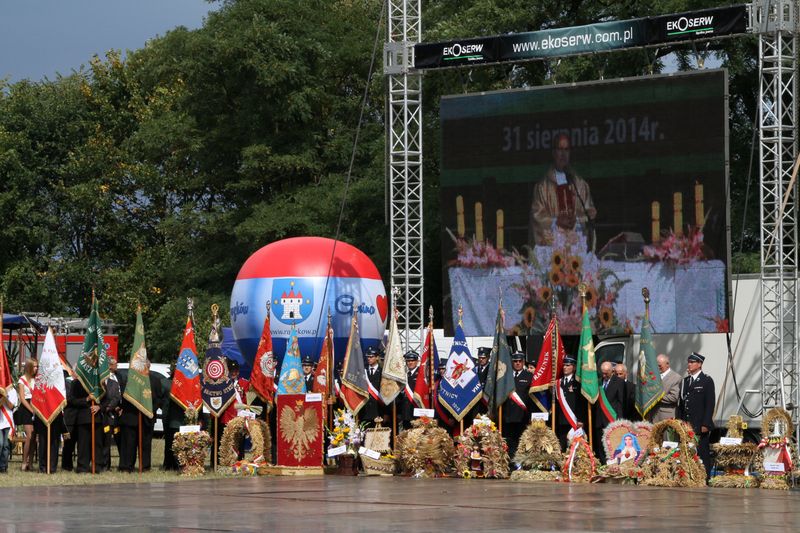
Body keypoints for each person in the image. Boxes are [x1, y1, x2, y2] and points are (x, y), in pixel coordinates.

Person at [528, 133, 596, 248]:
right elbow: (536, 217)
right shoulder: (542, 187)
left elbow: (589, 214)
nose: (563, 154)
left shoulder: (580, 185)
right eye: (560, 149)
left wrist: (577, 221)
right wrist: (556, 221)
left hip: (576, 250)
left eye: (566, 149)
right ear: (553, 153)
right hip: (553, 251)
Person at [677, 351, 715, 480]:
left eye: (692, 362)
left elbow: (710, 404)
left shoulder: (706, 380)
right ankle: (689, 476)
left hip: (699, 423)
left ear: (699, 364)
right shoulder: (685, 381)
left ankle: (705, 477)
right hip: (686, 423)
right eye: (688, 362)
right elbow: (681, 404)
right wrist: (679, 422)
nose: (689, 364)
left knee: (702, 451)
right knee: (687, 451)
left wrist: (706, 423)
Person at [67, 377, 107, 473]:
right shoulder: (76, 383)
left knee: (97, 444)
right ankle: (82, 467)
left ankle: (97, 466)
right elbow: (72, 400)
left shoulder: (99, 381)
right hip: (82, 417)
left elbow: (106, 400)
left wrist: (99, 407)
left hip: (96, 417)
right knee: (83, 444)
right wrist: (86, 399)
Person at [502, 352, 534, 462]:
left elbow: (531, 399)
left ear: (523, 362)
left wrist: (531, 415)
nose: (517, 363)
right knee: (509, 441)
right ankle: (510, 463)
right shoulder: (506, 376)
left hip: (522, 415)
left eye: (520, 361)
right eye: (515, 361)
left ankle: (520, 463)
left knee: (521, 440)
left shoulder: (529, 376)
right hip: (508, 414)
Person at [555, 356, 587, 451]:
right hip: (561, 419)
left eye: (568, 365)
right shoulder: (558, 382)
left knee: (574, 445)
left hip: (574, 419)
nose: (565, 367)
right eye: (564, 365)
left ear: (573, 367)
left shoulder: (578, 382)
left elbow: (582, 403)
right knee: (562, 444)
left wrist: (581, 419)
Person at [593, 361, 624, 461]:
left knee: (612, 446)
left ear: (612, 371)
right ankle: (603, 465)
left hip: (612, 419)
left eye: (606, 373)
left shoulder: (619, 382)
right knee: (601, 446)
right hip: (599, 419)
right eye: (602, 372)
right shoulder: (598, 382)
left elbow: (621, 402)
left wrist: (619, 420)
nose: (604, 375)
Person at [15, 358, 38, 471]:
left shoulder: (36, 380)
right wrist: (31, 410)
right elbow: (22, 399)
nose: (36, 368)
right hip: (26, 408)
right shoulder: (22, 380)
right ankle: (24, 462)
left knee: (34, 437)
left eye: (37, 366)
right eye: (34, 366)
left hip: (36, 406)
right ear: (29, 367)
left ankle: (31, 462)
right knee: (29, 436)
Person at [650, 354, 682, 422]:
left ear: (667, 364)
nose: (657, 367)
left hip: (666, 416)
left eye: (659, 365)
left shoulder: (676, 377)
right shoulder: (653, 376)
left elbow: (673, 397)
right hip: (653, 415)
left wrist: (657, 397)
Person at [361, 346, 385, 427]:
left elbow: (387, 393)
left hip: (379, 410)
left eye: (371, 357)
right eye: (367, 357)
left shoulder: (383, 373)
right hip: (364, 411)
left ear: (377, 357)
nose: (369, 359)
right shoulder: (362, 372)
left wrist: (387, 413)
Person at [396, 350, 420, 431]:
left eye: (412, 360)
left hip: (417, 412)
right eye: (408, 361)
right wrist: (399, 412)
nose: (410, 363)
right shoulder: (404, 375)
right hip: (406, 412)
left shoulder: (421, 374)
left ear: (417, 361)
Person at [0, 383, 19, 473]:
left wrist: (4, 396)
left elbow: (11, 406)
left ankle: (3, 467)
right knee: (0, 444)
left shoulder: (12, 391)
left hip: (7, 422)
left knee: (6, 445)